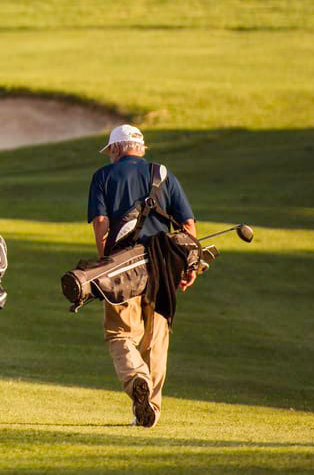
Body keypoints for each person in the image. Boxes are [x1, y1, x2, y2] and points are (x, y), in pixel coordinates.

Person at [87, 124, 197, 428]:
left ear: (115, 148)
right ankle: (150, 412)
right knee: (156, 340)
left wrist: (105, 263)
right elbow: (188, 225)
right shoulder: (162, 173)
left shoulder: (103, 176)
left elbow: (101, 222)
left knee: (119, 334)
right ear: (140, 148)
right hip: (163, 267)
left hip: (123, 268)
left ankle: (137, 379)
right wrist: (189, 266)